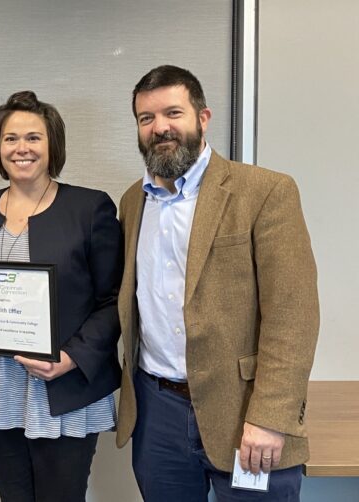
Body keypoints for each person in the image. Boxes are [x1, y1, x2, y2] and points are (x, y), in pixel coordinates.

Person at [115, 65, 319, 501]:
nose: (160, 128)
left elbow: (294, 314)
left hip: (245, 412)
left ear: (202, 118)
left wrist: (271, 416)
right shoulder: (133, 201)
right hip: (157, 414)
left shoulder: (264, 191)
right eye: (146, 118)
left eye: (173, 113)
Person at [0, 91, 122, 502]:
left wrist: (71, 358)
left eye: (33, 138)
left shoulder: (89, 208)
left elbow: (114, 302)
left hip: (62, 386)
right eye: (10, 138)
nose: (22, 148)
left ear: (52, 144)